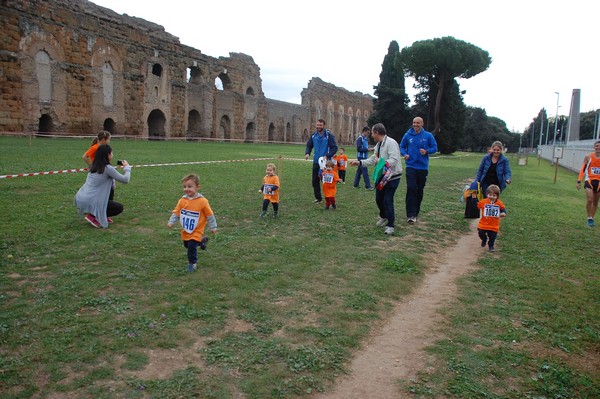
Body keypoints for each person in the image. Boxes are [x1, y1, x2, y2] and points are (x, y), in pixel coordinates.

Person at [350, 123, 402, 235]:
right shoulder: (378, 145)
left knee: (388, 200)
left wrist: (382, 162)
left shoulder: (391, 143)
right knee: (379, 199)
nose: (371, 135)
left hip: (393, 176)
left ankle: (390, 225)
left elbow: (394, 160)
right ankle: (384, 216)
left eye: (372, 133)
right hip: (382, 175)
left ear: (377, 133)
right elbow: (374, 158)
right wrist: (359, 162)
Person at [167, 174, 217, 272]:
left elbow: (209, 215)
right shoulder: (182, 201)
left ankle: (192, 263)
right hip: (186, 229)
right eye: (184, 187)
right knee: (187, 244)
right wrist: (171, 222)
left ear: (197, 187)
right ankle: (202, 241)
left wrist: (213, 227)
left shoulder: (203, 201)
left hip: (197, 230)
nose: (186, 189)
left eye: (189, 186)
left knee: (191, 247)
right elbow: (176, 212)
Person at [74, 144, 131, 228]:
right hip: (93, 200)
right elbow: (125, 180)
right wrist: (127, 168)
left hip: (82, 197)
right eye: (111, 153)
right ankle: (94, 216)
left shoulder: (93, 165)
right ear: (108, 155)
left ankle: (100, 214)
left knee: (111, 189)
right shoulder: (107, 168)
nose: (112, 155)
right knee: (119, 208)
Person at [400, 116, 438, 223]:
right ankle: (410, 214)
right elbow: (402, 146)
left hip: (422, 167)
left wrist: (426, 151)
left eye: (417, 123)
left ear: (422, 124)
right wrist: (404, 154)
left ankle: (415, 212)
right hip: (410, 166)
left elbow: (435, 148)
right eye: (414, 122)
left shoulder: (428, 136)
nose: (415, 125)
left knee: (419, 190)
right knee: (411, 188)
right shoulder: (407, 135)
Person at [305, 119, 338, 204]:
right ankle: (318, 199)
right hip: (316, 162)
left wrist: (327, 155)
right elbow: (309, 145)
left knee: (327, 182)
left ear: (324, 125)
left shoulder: (328, 135)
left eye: (320, 125)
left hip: (326, 164)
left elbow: (334, 147)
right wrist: (307, 153)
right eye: (317, 125)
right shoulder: (313, 135)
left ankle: (330, 200)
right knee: (315, 181)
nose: (318, 127)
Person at [576, 140, 600, 227]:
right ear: (594, 147)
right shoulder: (588, 157)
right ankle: (588, 217)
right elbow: (583, 169)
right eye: (597, 146)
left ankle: (591, 218)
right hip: (589, 180)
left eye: (599, 146)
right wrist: (579, 181)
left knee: (596, 201)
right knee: (590, 199)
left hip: (599, 182)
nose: (598, 147)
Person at [477, 184, 507, 252]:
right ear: (487, 194)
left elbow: (503, 209)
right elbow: (477, 206)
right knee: (481, 233)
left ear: (497, 196)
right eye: (490, 194)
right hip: (483, 223)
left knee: (492, 237)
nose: (492, 197)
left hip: (494, 225)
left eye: (494, 195)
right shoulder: (483, 202)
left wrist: (503, 213)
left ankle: (491, 246)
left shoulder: (499, 203)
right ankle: (484, 239)